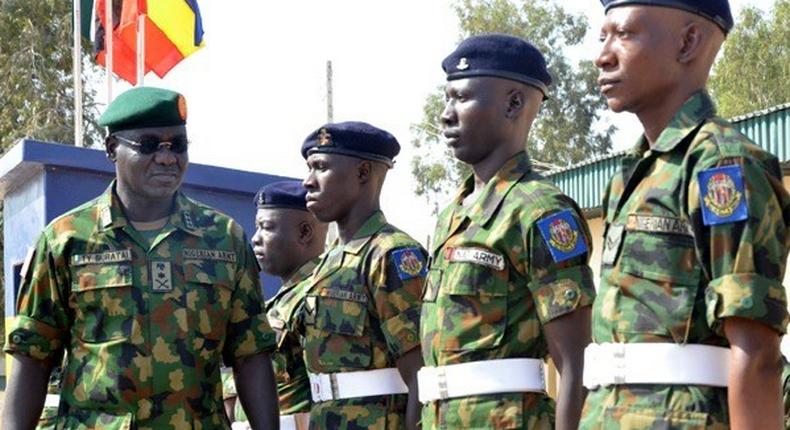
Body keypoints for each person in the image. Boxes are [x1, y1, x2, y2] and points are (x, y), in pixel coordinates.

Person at [2, 86, 279, 429]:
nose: (166, 158)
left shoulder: (224, 238)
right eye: (148, 145)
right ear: (111, 149)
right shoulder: (66, 239)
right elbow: (33, 357)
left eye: (177, 145)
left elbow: (250, 354)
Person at [581, 1, 790, 428]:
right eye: (603, 37)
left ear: (688, 41)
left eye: (624, 34)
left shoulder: (722, 166)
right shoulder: (634, 172)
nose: (602, 55)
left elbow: (757, 355)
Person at [418, 33, 596, 430]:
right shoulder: (451, 215)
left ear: (514, 103)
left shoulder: (541, 212)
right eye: (447, 98)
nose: (446, 113)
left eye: (461, 98)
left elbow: (576, 364)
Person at [294, 121, 426, 429]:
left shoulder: (392, 255)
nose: (307, 182)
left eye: (320, 167)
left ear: (363, 172)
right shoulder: (328, 263)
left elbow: (421, 374)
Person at [223, 180, 328, 430]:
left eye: (266, 228)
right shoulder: (275, 303)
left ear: (304, 232)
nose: (255, 239)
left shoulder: (320, 295)